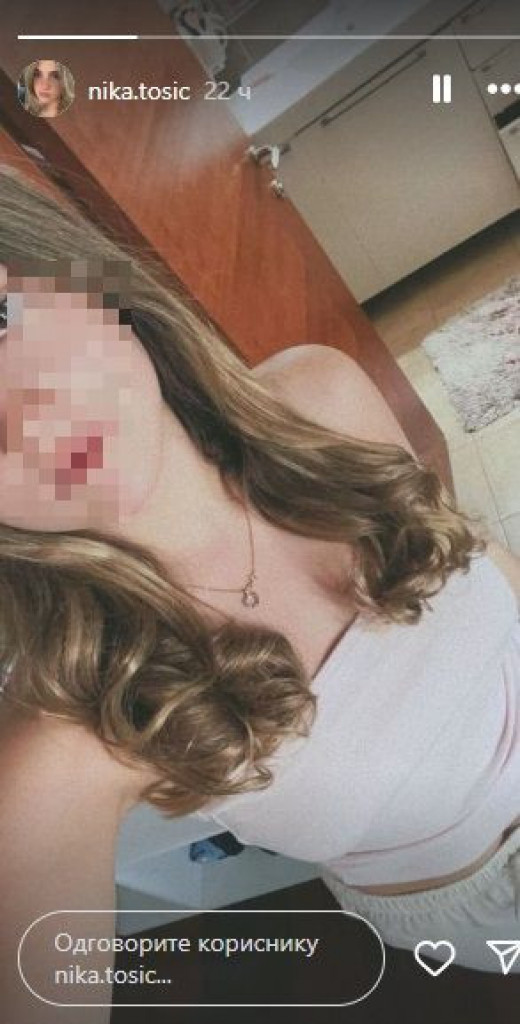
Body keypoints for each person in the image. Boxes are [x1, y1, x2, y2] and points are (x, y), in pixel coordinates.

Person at [0, 167, 519, 1021]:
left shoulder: (321, 394)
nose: (25, 419)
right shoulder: (72, 731)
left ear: (73, 276)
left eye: (1, 316)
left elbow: (469, 560)